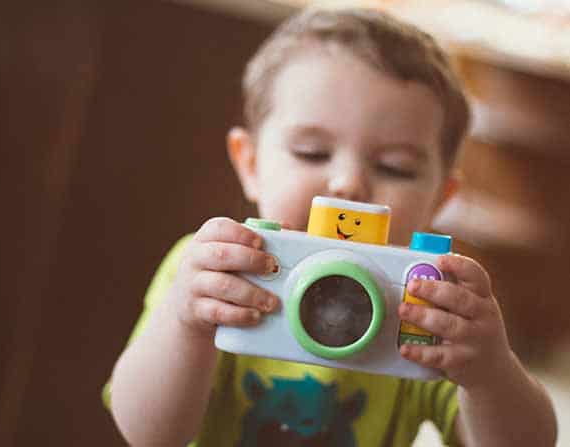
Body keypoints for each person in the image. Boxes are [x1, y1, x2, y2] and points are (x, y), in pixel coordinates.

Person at [105, 8, 557, 446]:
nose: (348, 183)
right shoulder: (217, 270)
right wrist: (185, 322)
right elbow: (149, 434)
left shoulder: (422, 300)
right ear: (251, 164)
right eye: (312, 153)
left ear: (440, 200)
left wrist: (490, 372)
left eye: (394, 167)